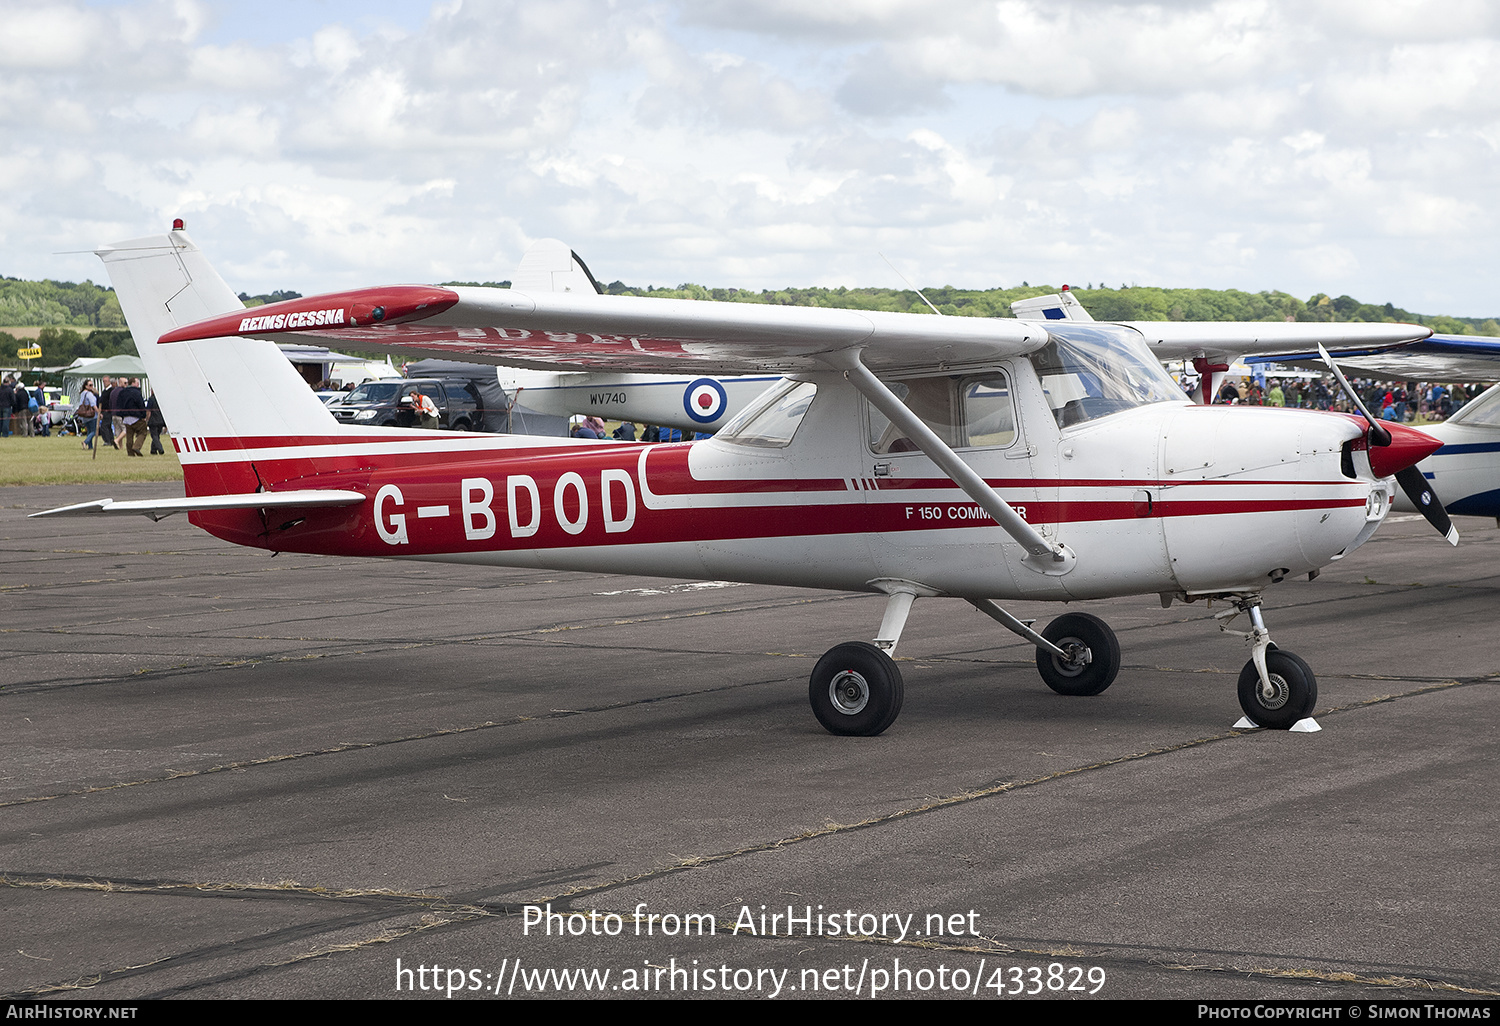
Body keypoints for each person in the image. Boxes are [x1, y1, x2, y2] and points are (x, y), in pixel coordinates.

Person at [116, 378, 148, 456]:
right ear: (133, 383)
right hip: (135, 416)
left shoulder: (122, 392)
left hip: (126, 417)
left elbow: (118, 404)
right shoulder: (136, 392)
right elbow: (141, 404)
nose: (138, 384)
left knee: (129, 435)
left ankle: (130, 452)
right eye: (137, 383)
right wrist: (143, 415)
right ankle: (136, 447)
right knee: (143, 432)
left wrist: (121, 414)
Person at [76, 380, 99, 450]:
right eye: (90, 385)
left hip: (84, 415)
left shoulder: (82, 393)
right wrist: (99, 413)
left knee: (89, 431)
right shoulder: (89, 394)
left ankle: (90, 446)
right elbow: (93, 405)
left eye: (92, 385)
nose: (92, 387)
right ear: (86, 386)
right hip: (91, 415)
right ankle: (85, 442)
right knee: (94, 431)